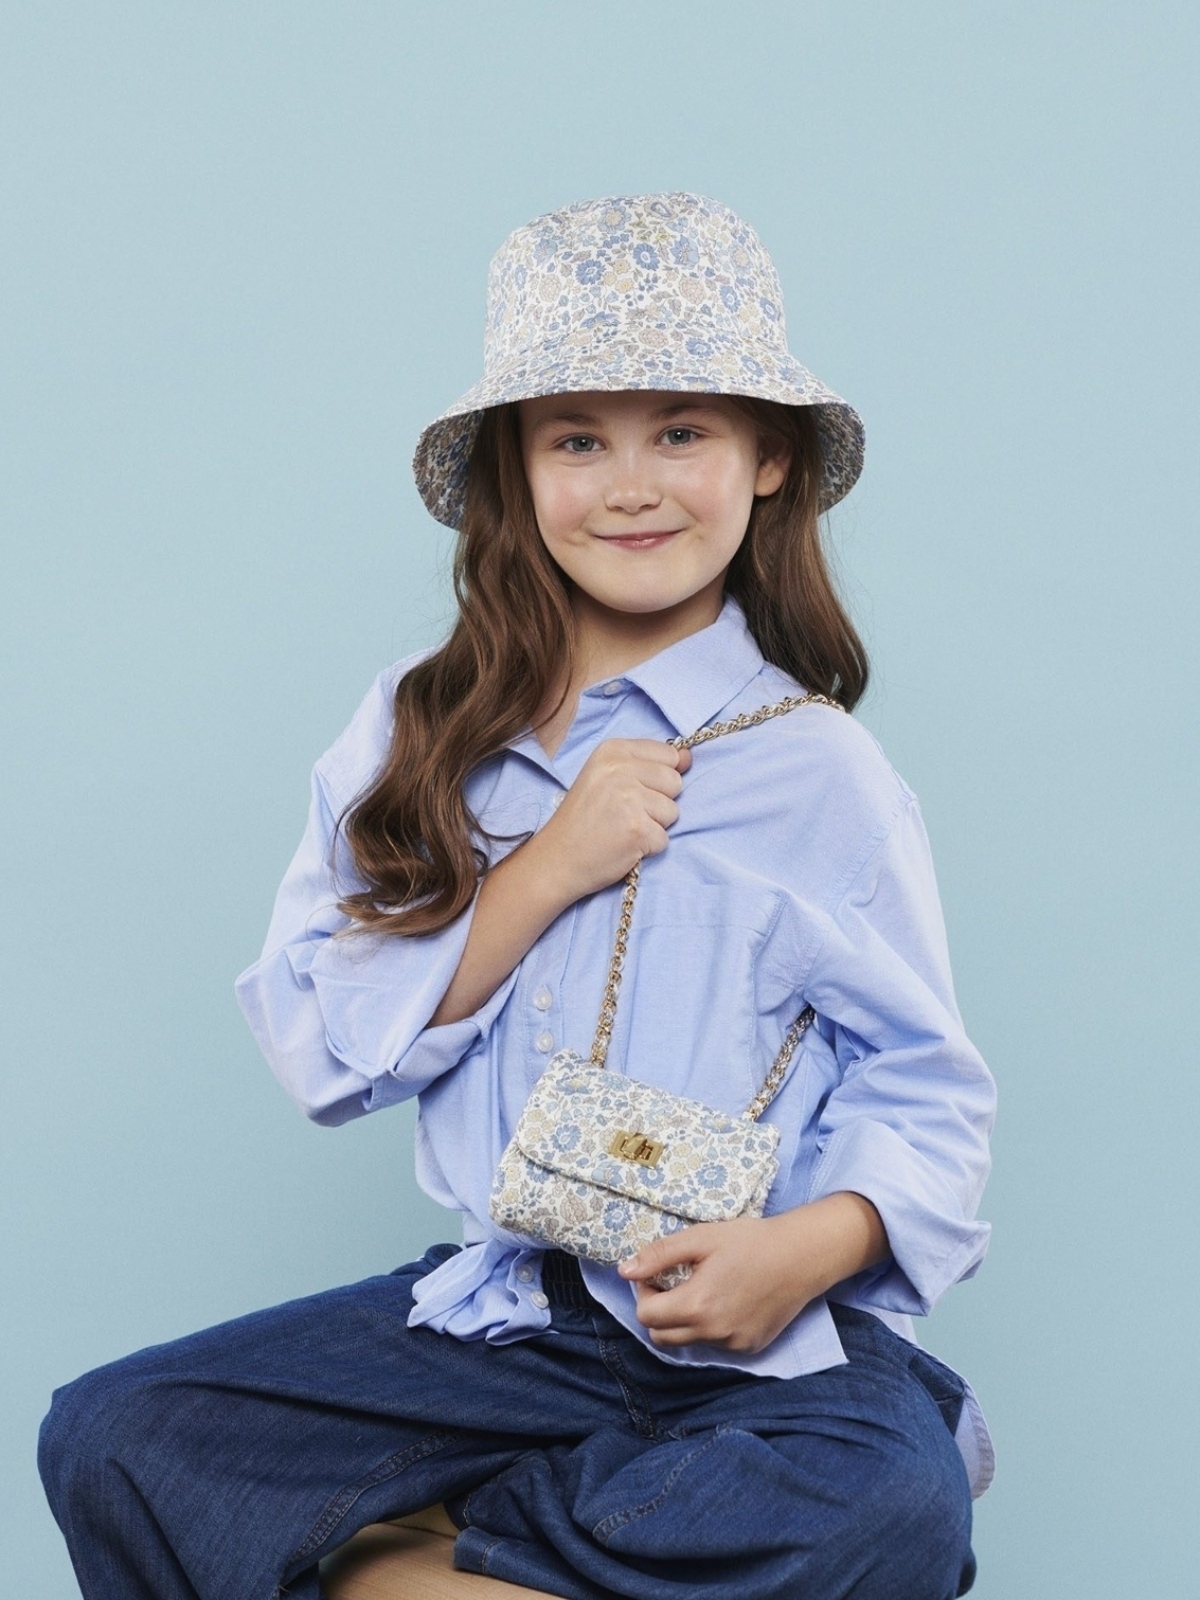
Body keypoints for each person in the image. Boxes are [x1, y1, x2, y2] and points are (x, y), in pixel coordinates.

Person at [39, 193, 995, 1600]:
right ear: (513, 469)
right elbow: (322, 1048)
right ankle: (508, 1536)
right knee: (118, 1438)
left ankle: (435, 1558)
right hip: (506, 1323)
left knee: (897, 1505)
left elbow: (930, 1100)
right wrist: (545, 871)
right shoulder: (415, 727)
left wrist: (806, 1249)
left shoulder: (821, 774)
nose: (632, 483)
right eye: (576, 438)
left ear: (769, 458)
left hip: (743, 1350)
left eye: (682, 428)